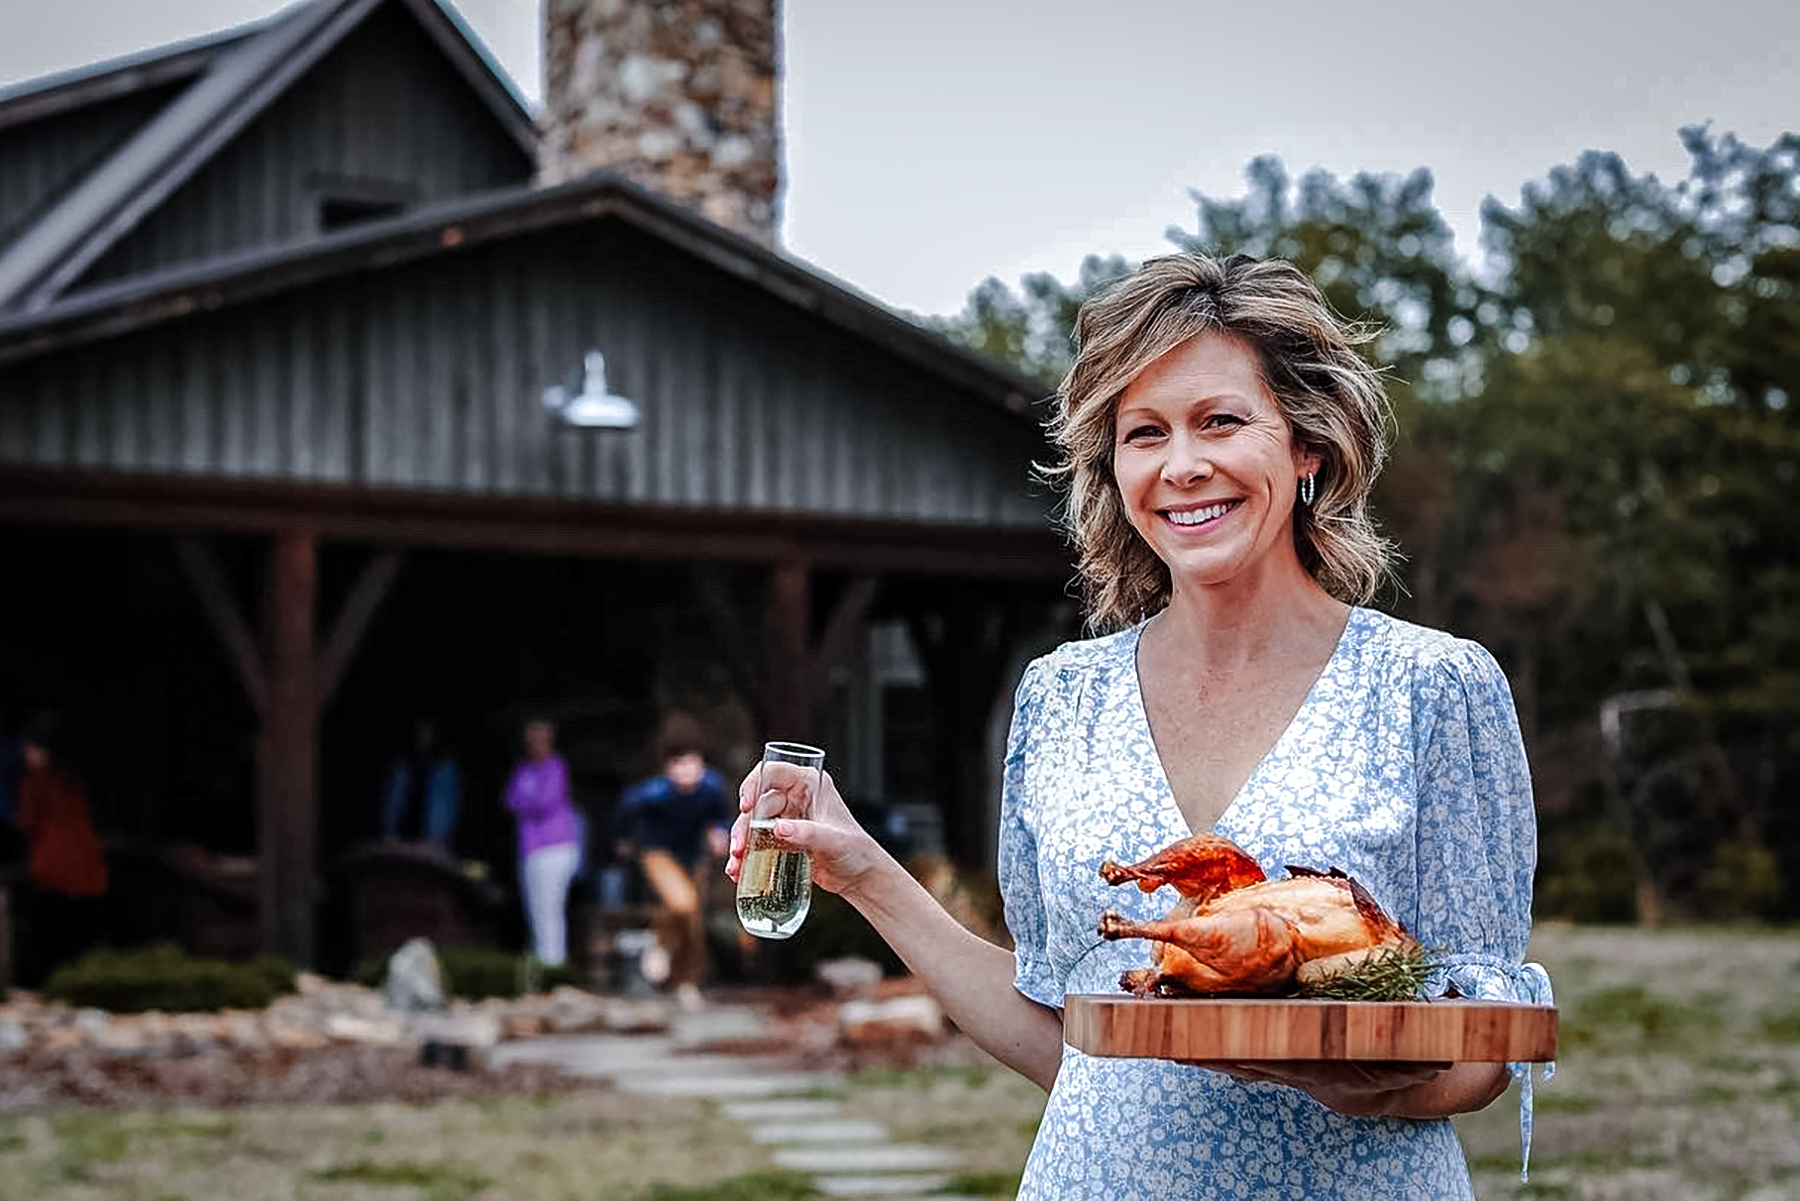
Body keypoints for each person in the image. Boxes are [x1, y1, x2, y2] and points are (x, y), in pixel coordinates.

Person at [725, 252, 1550, 1199]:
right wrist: (861, 870)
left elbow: (1484, 1039)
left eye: (1221, 421)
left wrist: (1360, 1084)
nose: (1182, 465)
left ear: (1308, 446)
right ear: (1113, 469)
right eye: (1143, 433)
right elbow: (1067, 1039)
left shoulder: (1430, 687)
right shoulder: (1060, 698)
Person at [616, 742, 732, 1012]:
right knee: (682, 903)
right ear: (670, 770)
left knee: (692, 921)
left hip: (693, 857)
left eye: (694, 765)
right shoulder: (653, 794)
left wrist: (719, 831)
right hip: (658, 853)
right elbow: (625, 808)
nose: (689, 773)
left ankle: (687, 983)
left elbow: (721, 816)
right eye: (682, 766)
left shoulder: (711, 788)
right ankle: (658, 944)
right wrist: (624, 838)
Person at [15, 717, 108, 982]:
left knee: (45, 941)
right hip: (88, 871)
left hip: (53, 871)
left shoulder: (39, 779)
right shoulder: (77, 777)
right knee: (79, 939)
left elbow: (26, 820)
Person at [504, 719, 581, 968]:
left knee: (550, 909)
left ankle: (553, 965)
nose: (534, 744)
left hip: (555, 847)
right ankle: (541, 963)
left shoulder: (556, 767)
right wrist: (528, 800)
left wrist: (527, 800)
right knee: (534, 911)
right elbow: (510, 801)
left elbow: (544, 802)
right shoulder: (522, 769)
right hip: (530, 848)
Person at [380, 718, 461, 851]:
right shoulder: (402, 766)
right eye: (421, 732)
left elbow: (451, 803)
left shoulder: (446, 768)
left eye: (428, 732)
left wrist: (443, 834)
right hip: (399, 838)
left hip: (433, 840)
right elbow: (391, 800)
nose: (424, 737)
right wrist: (389, 830)